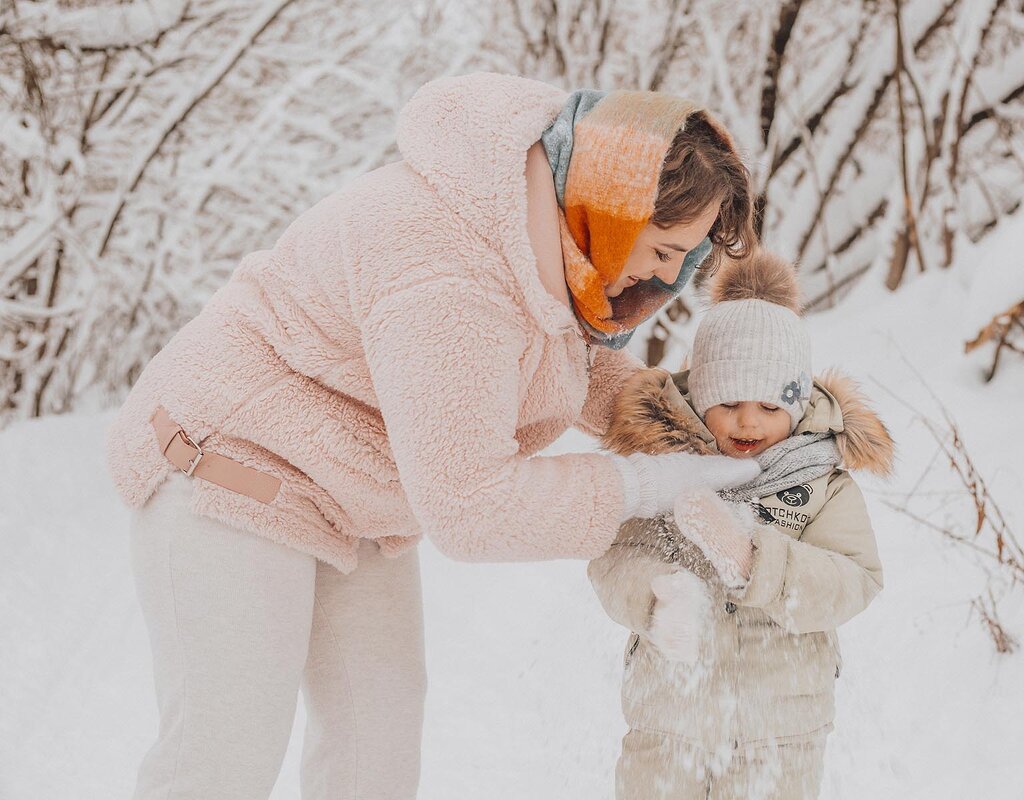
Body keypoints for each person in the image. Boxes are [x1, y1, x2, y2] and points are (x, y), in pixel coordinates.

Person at [104, 72, 761, 799]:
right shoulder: (449, 272)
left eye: (684, 258)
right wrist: (642, 487)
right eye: (664, 248)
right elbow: (472, 504)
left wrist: (698, 437)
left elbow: (568, 361)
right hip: (228, 467)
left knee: (374, 743)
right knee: (225, 757)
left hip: (345, 489)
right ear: (611, 202)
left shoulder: (543, 230)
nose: (667, 277)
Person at [588, 248, 896, 799]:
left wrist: (757, 562)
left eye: (770, 407)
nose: (748, 421)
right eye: (728, 401)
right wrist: (659, 598)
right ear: (701, 394)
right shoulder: (664, 468)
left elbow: (855, 580)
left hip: (782, 733)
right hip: (668, 722)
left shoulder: (821, 482)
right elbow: (614, 561)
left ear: (798, 407)